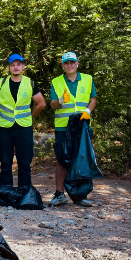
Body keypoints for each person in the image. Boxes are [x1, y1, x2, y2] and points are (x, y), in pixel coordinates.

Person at [0, 53, 46, 188]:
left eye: (18, 64)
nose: (15, 67)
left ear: (23, 66)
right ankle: (5, 191)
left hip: (24, 127)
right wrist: (2, 112)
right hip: (4, 127)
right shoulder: (0, 83)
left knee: (24, 162)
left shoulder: (30, 83)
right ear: (8, 67)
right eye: (12, 65)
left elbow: (41, 103)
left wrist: (29, 116)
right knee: (5, 162)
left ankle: (25, 191)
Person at [47, 51, 98, 207]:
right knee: (62, 159)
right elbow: (52, 104)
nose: (69, 65)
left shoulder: (88, 79)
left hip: (82, 127)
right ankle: (60, 194)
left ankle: (79, 196)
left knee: (81, 160)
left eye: (72, 62)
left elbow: (93, 99)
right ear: (63, 65)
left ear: (77, 63)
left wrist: (88, 111)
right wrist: (61, 100)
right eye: (66, 63)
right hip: (63, 127)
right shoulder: (56, 82)